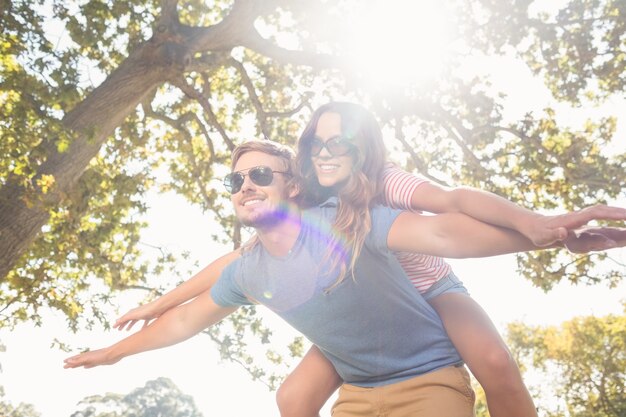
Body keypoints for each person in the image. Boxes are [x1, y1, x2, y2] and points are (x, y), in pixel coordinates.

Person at [114, 103, 626, 417]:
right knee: (293, 398)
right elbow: (231, 265)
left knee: (494, 363)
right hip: (364, 309)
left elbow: (452, 208)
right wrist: (158, 303)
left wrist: (545, 229)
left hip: (427, 287)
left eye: (339, 143)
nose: (326, 152)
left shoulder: (386, 181)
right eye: (316, 144)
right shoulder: (304, 201)